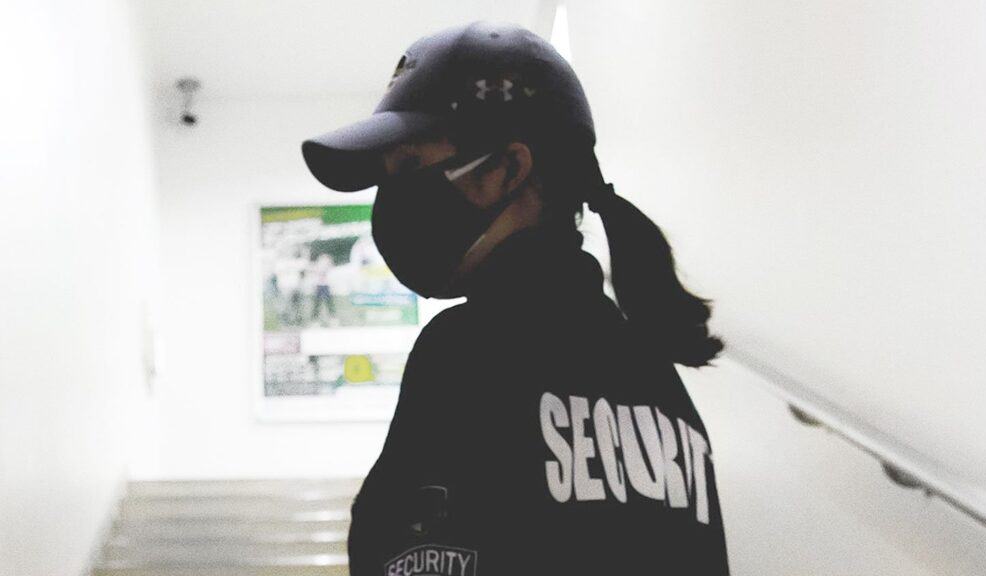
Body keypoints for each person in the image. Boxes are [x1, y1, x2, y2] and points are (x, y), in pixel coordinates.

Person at [301, 21, 729, 576]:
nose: (392, 201)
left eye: (409, 165)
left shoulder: (467, 350)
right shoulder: (659, 381)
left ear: (507, 168)